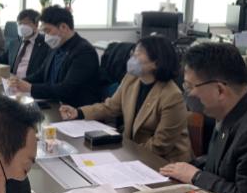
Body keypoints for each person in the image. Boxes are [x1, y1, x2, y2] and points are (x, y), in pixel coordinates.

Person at [160, 43, 247, 193]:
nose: (187, 94)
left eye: (190, 87)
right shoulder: (240, 101)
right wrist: (191, 166)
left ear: (219, 90)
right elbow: (224, 161)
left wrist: (196, 176)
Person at [60, 35, 192, 162]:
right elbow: (110, 107)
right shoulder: (131, 79)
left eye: (139, 53)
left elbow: (160, 145)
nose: (132, 56)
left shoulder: (172, 96)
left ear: (156, 63)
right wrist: (79, 112)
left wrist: (127, 155)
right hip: (134, 153)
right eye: (133, 52)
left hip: (164, 162)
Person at [10, 5, 100, 106]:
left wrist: (30, 88)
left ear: (63, 27)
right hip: (52, 102)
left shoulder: (84, 52)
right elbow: (40, 74)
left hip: (73, 109)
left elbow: (66, 89)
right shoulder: (56, 46)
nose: (46, 36)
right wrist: (19, 81)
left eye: (47, 31)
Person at [0, 9, 49, 78]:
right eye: (20, 24)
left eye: (26, 23)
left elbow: (42, 72)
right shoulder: (14, 43)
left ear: (36, 24)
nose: (22, 27)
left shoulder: (45, 44)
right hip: (11, 81)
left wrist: (22, 82)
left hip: (29, 82)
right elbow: (2, 59)